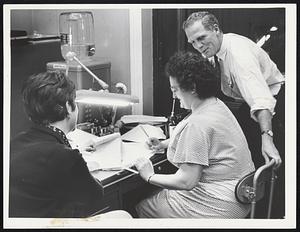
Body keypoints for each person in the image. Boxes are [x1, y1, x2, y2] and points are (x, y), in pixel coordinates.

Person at [182, 11, 285, 218]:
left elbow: (261, 99)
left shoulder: (238, 55)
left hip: (275, 107)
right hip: (246, 105)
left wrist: (268, 137)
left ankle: (272, 216)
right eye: (192, 42)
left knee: (269, 167)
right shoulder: (211, 52)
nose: (198, 46)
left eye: (201, 38)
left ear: (216, 29)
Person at [134, 51, 255, 218]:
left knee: (142, 205)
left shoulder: (197, 124)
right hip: (240, 196)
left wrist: (149, 175)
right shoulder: (216, 105)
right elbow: (209, 141)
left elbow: (186, 181)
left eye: (175, 89)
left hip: (219, 204)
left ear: (192, 88)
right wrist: (163, 144)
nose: (174, 96)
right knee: (157, 194)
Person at [9, 71, 131, 219]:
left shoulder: (15, 143)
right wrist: (81, 166)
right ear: (68, 107)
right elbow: (95, 196)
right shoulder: (65, 157)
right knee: (123, 216)